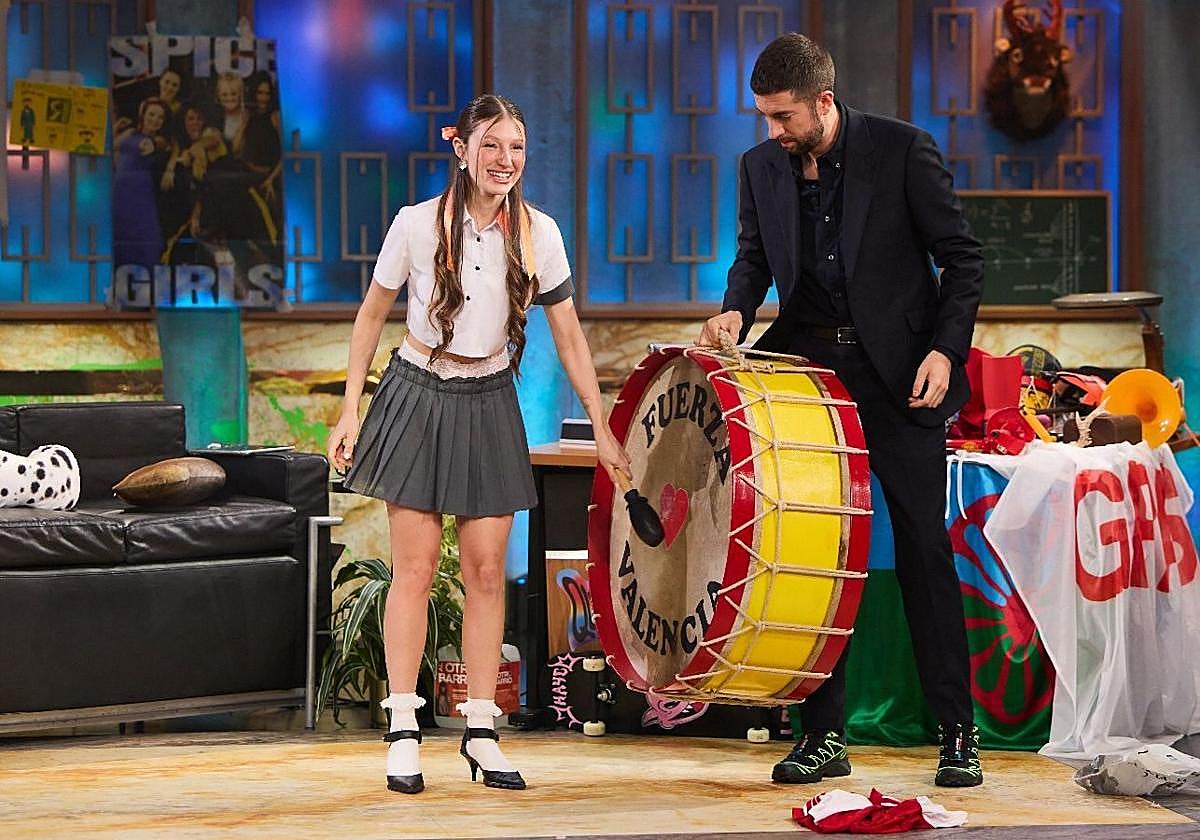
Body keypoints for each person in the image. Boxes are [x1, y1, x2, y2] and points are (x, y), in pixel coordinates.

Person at [697, 33, 984, 788]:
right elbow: (753, 258)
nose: (773, 132)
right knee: (814, 558)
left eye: (784, 117)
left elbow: (963, 259)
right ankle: (822, 737)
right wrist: (735, 311)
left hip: (902, 378)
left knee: (923, 549)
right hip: (809, 380)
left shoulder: (903, 150)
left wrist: (945, 351)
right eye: (764, 117)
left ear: (824, 102)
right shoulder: (760, 166)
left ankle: (958, 734)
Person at [327, 93, 630, 795]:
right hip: (416, 391)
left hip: (490, 397)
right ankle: (404, 730)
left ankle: (482, 732)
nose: (505, 159)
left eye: (516, 147)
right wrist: (349, 410)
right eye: (491, 144)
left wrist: (602, 423)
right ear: (460, 149)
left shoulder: (539, 233)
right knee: (414, 568)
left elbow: (569, 336)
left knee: (487, 572)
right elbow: (371, 315)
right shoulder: (415, 224)